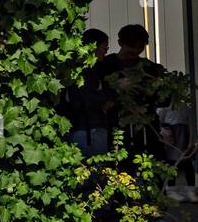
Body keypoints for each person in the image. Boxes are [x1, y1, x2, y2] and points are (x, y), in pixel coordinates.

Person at [95, 24, 168, 160]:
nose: (135, 51)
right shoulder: (105, 65)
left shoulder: (150, 68)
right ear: (120, 43)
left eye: (140, 47)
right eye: (131, 47)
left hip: (147, 127)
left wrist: (149, 93)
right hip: (116, 126)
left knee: (154, 163)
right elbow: (95, 94)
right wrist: (116, 89)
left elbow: (164, 100)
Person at [61, 28, 113, 157]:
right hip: (88, 127)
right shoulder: (85, 70)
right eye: (104, 47)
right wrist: (107, 99)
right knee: (93, 168)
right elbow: (89, 97)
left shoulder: (89, 68)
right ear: (93, 47)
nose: (106, 51)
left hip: (86, 126)